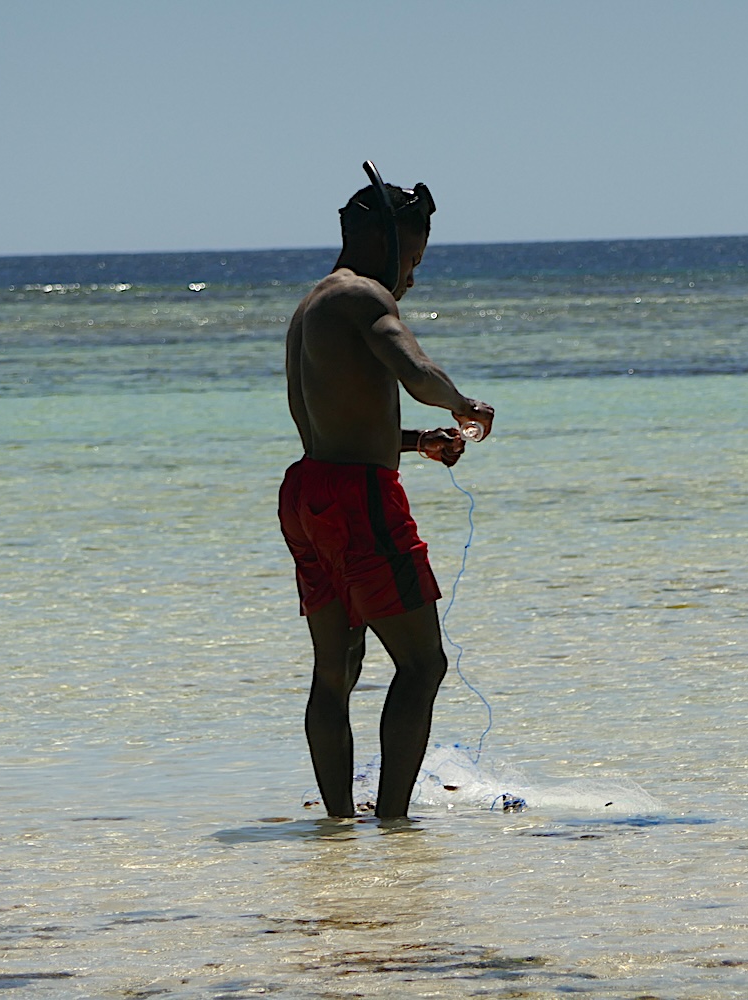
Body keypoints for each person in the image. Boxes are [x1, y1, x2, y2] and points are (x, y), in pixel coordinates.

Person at [279, 171, 494, 821]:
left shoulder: (315, 303)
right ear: (387, 242)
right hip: (357, 499)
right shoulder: (367, 297)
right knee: (423, 665)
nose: (412, 278)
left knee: (335, 672)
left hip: (308, 490)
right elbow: (413, 368)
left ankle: (340, 825)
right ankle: (394, 821)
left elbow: (336, 422)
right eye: (413, 259)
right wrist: (465, 405)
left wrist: (417, 440)